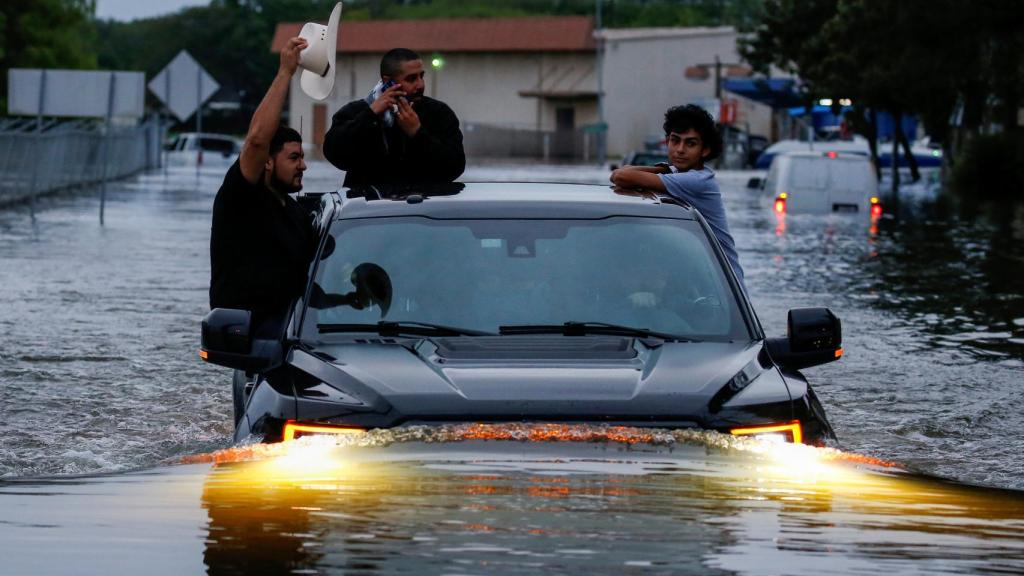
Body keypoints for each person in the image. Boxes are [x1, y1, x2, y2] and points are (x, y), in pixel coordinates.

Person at [209, 36, 318, 332]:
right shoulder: (241, 197)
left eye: (302, 157)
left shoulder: (297, 214)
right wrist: (285, 73)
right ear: (268, 162)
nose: (303, 165)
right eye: (293, 158)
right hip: (249, 339)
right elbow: (257, 141)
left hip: (295, 335)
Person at [610, 104, 745, 287]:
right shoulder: (679, 174)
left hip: (725, 283)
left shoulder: (698, 181)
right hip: (701, 275)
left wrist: (663, 170)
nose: (680, 150)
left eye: (690, 143)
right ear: (667, 142)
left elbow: (620, 175)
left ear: (705, 150)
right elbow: (622, 173)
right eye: (675, 141)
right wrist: (665, 169)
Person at [323, 48, 465, 187]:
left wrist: (417, 133)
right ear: (388, 82)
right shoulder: (356, 111)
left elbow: (455, 167)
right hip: (368, 206)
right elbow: (335, 154)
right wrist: (370, 115)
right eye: (411, 79)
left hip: (423, 206)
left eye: (421, 76)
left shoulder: (438, 112)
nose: (420, 84)